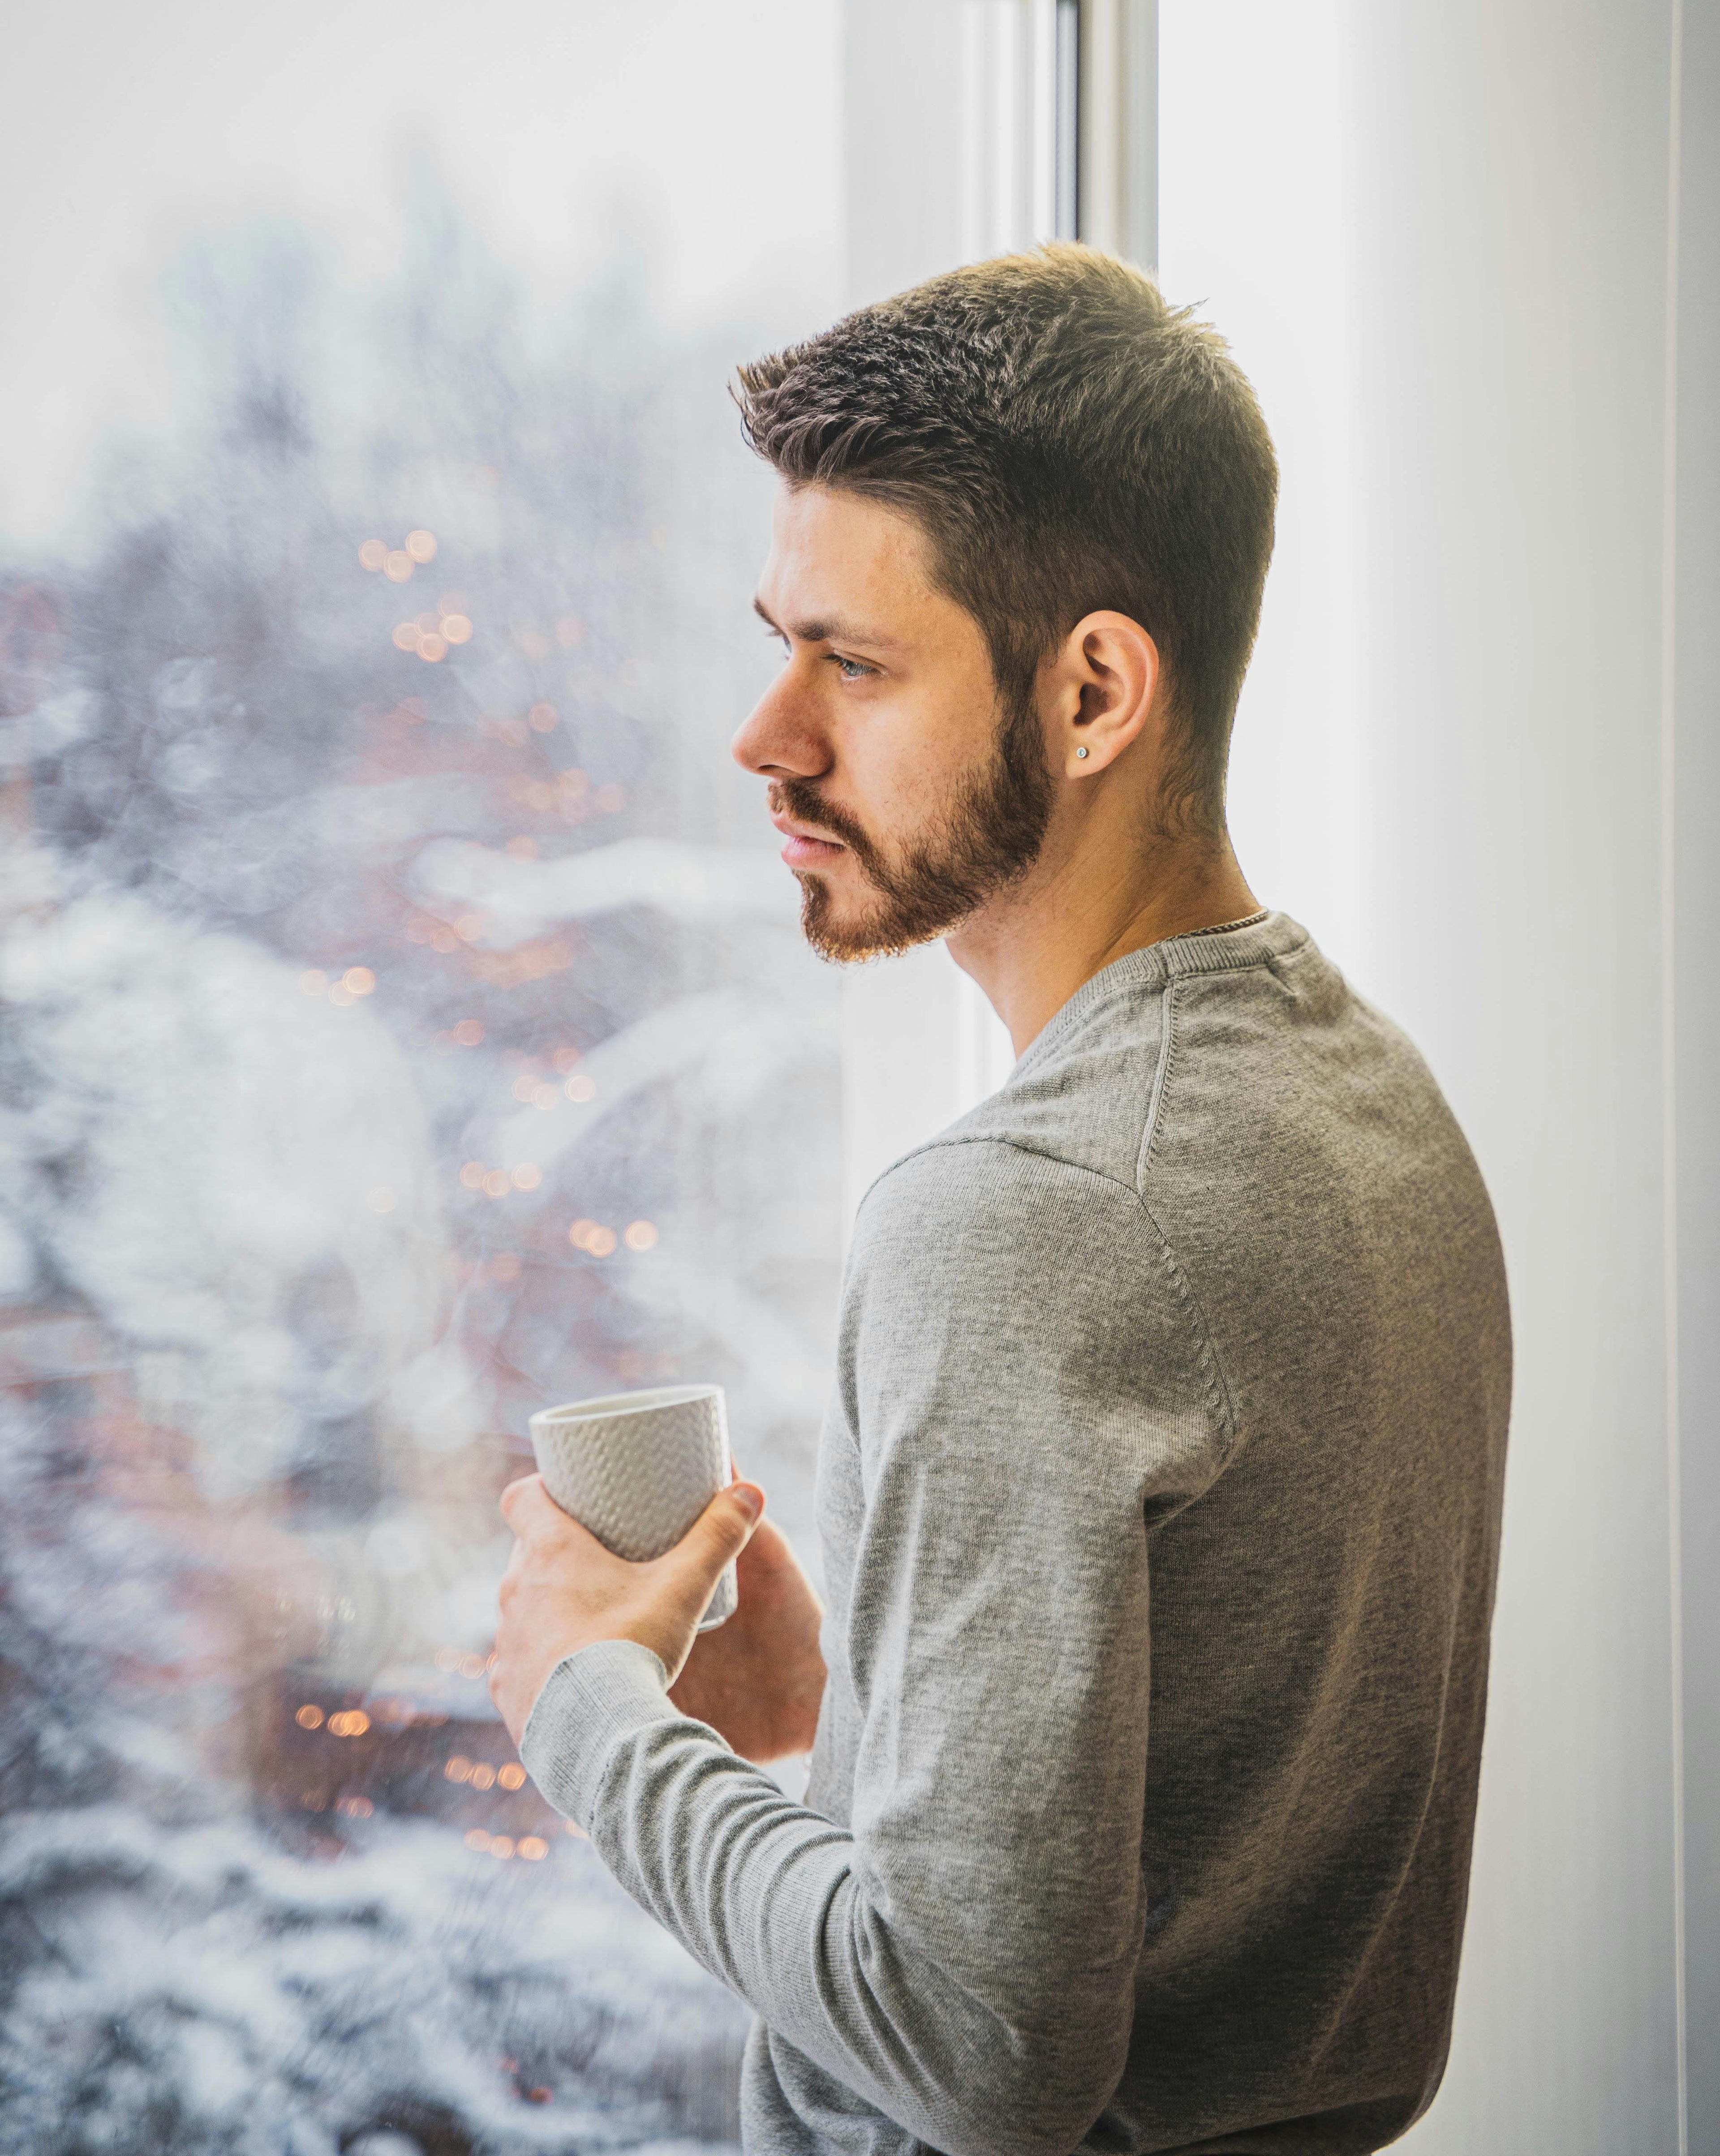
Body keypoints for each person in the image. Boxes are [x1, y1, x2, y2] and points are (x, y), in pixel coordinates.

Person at [489, 245, 1513, 2156]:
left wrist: (588, 1713)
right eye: (780, 640)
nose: (766, 735)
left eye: (854, 664)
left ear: (1098, 689)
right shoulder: (1374, 1103)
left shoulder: (1026, 1214)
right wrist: (854, 1719)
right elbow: (1200, 1825)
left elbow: (977, 2052)